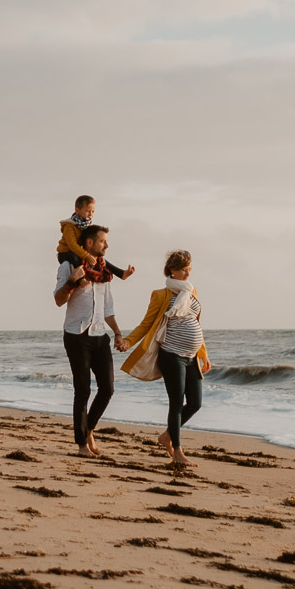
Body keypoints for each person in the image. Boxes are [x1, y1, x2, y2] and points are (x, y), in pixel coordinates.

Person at [121, 250, 210, 467]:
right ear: (171, 270)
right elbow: (146, 323)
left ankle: (166, 436)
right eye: (182, 268)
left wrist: (204, 355)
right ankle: (177, 451)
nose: (187, 272)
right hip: (171, 356)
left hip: (191, 357)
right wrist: (128, 341)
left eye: (189, 268)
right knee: (177, 402)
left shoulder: (191, 290)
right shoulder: (160, 295)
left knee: (196, 403)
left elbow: (195, 323)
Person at [53, 224, 130, 458]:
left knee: (107, 389)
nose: (106, 245)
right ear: (88, 243)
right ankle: (81, 445)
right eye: (102, 241)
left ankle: (89, 430)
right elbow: (58, 299)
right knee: (83, 389)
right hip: (76, 335)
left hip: (99, 335)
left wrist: (117, 333)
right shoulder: (69, 266)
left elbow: (108, 309)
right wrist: (73, 282)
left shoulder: (105, 272)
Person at [56, 195, 135, 280]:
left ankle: (121, 273)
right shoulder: (70, 226)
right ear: (77, 210)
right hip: (67, 253)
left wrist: (98, 257)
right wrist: (86, 255)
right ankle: (81, 279)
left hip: (80, 251)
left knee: (101, 259)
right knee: (75, 259)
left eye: (93, 211)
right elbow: (72, 245)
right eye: (87, 211)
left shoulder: (86, 224)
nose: (90, 214)